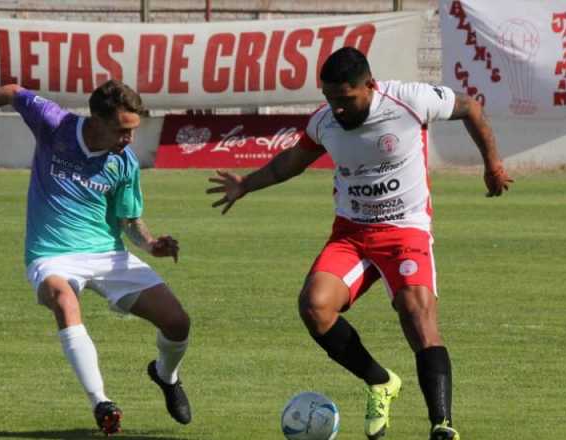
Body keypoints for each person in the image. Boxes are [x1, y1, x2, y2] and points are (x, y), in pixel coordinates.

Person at [207, 47, 512, 440]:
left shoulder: (410, 100)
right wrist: (246, 184)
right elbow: (292, 162)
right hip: (351, 234)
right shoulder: (325, 122)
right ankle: (381, 381)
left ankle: (442, 424)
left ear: (369, 85)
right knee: (314, 307)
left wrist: (493, 165)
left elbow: (470, 107)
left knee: (416, 316)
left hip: (405, 231)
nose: (337, 109)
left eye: (345, 100)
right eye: (330, 99)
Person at [0, 80, 193, 435]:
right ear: (96, 119)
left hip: (107, 254)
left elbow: (127, 220)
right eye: (121, 130)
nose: (129, 140)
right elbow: (14, 92)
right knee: (64, 299)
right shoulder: (55, 124)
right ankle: (102, 403)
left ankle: (166, 376)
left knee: (178, 323)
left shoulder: (124, 163)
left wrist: (152, 244)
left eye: (133, 131)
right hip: (51, 254)